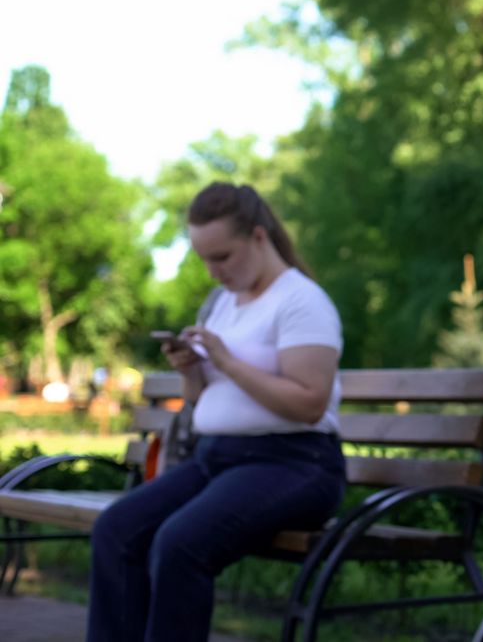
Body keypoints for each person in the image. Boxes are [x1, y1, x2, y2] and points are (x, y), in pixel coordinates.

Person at [88, 183, 347, 642]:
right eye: (204, 259)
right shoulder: (223, 303)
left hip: (294, 464)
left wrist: (227, 362)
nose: (213, 272)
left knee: (180, 543)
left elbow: (309, 403)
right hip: (217, 459)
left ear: (259, 238)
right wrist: (192, 370)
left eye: (222, 257)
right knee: (117, 529)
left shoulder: (302, 301)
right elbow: (201, 401)